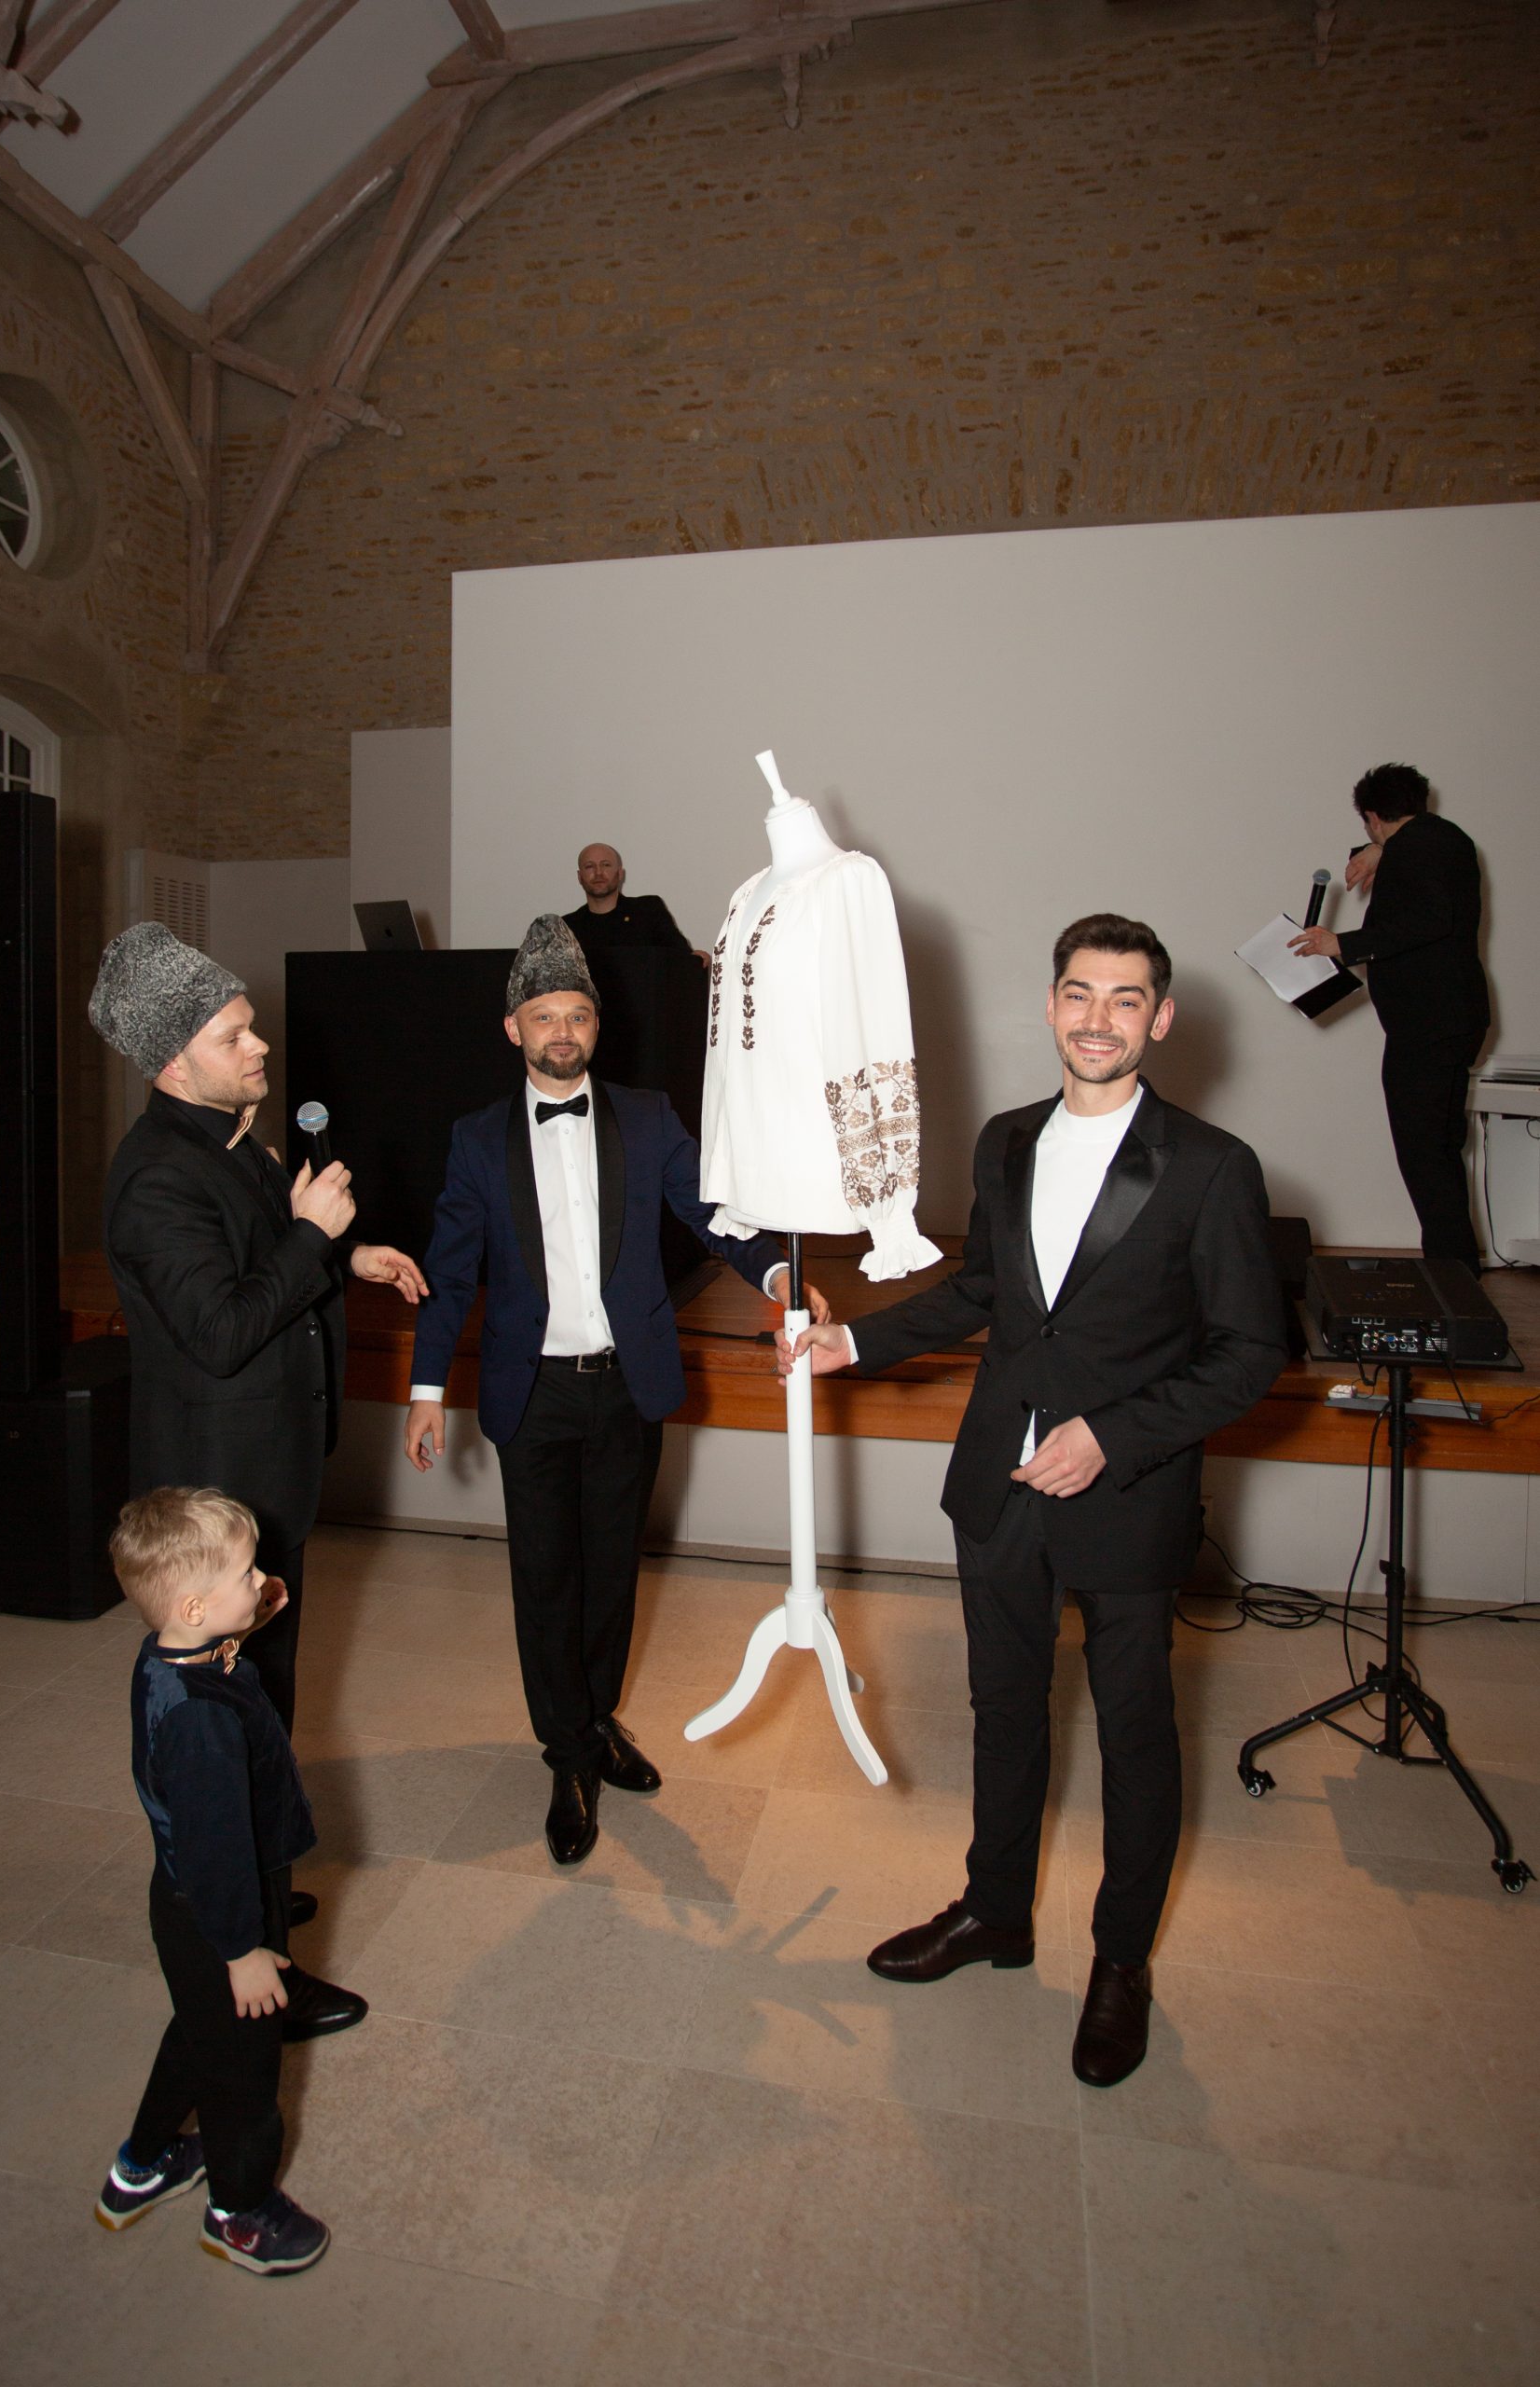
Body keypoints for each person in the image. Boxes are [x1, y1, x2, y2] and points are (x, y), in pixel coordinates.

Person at [784, 915, 1286, 2086]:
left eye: (1125, 999)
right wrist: (855, 1341)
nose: (1097, 1019)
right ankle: (995, 1910)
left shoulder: (1213, 1165)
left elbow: (1250, 1354)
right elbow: (984, 1292)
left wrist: (1111, 1436)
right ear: (1052, 1004)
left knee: (1134, 1734)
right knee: (1003, 1709)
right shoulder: (1007, 1139)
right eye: (1079, 994)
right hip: (998, 1487)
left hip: (1128, 1496)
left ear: (1161, 1019)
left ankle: (1120, 1963)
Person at [405, 915, 826, 1866]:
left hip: (627, 1386)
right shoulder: (477, 1140)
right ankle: (566, 1755)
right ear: (513, 1028)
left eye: (578, 1016)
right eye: (544, 1016)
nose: (562, 1032)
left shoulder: (646, 1117)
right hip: (532, 1394)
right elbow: (452, 1272)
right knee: (546, 1581)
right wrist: (427, 1387)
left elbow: (709, 1213)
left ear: (597, 1026)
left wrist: (774, 1274)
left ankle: (595, 1723)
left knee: (611, 1575)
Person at [89, 921, 425, 2035]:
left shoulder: (230, 1141)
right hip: (215, 1504)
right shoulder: (155, 1178)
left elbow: (260, 1264)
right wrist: (312, 1237)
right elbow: (226, 1328)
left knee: (261, 1714)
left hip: (261, 1480)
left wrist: (344, 1254)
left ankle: (258, 1892)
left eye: (249, 1025)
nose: (260, 1044)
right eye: (233, 1034)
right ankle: (244, 1956)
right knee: (224, 1727)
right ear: (169, 1059)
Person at [94, 1487, 331, 2276]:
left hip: (191, 1903)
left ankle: (143, 2162)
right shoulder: (201, 1725)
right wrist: (243, 1951)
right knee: (245, 2072)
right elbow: (216, 1849)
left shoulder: (171, 1654)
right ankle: (240, 2210)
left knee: (200, 2036)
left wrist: (248, 1618)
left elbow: (202, 1840)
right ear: (195, 1608)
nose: (261, 1579)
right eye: (246, 1573)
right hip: (222, 1909)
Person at [1288, 763, 1489, 1275]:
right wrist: (1379, 850)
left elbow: (1428, 919)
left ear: (1373, 816)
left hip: (1428, 1025)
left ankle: (1452, 1272)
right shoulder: (1446, 839)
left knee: (1424, 1151)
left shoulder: (1417, 849)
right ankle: (1455, 1269)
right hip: (1451, 1019)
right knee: (1438, 1148)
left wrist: (1342, 944)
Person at [563, 842, 691, 953]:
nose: (598, 872)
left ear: (620, 874)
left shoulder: (648, 911)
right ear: (579, 877)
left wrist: (696, 959)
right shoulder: (566, 928)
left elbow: (682, 958)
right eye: (589, 866)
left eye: (606, 865)